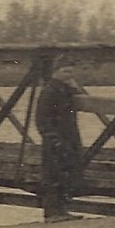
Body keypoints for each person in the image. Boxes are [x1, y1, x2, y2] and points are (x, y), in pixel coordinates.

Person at [35, 63, 87, 220]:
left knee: (65, 172)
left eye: (71, 71)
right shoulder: (50, 91)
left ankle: (61, 210)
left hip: (68, 137)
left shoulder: (63, 89)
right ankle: (52, 212)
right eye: (65, 71)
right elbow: (42, 119)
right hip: (56, 139)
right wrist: (53, 139)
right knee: (53, 174)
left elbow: (75, 99)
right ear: (54, 72)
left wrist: (74, 86)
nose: (69, 75)